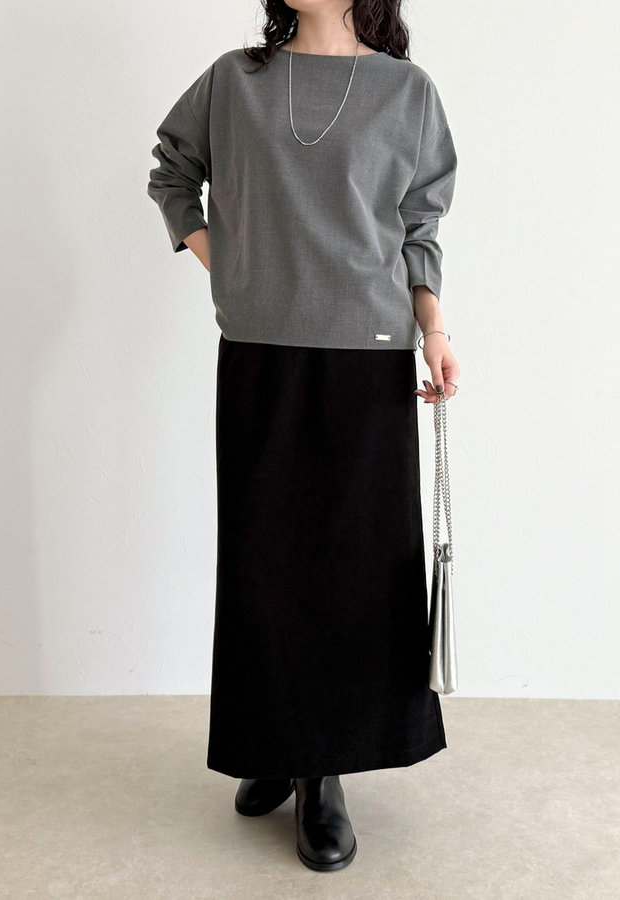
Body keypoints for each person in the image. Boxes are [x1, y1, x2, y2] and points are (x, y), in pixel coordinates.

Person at [147, 0, 460, 873]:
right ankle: (275, 743)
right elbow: (172, 172)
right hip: (260, 349)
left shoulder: (406, 92)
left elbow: (420, 230)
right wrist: (232, 267)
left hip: (369, 354)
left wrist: (435, 333)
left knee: (352, 567)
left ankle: (323, 771)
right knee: (265, 562)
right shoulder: (234, 81)